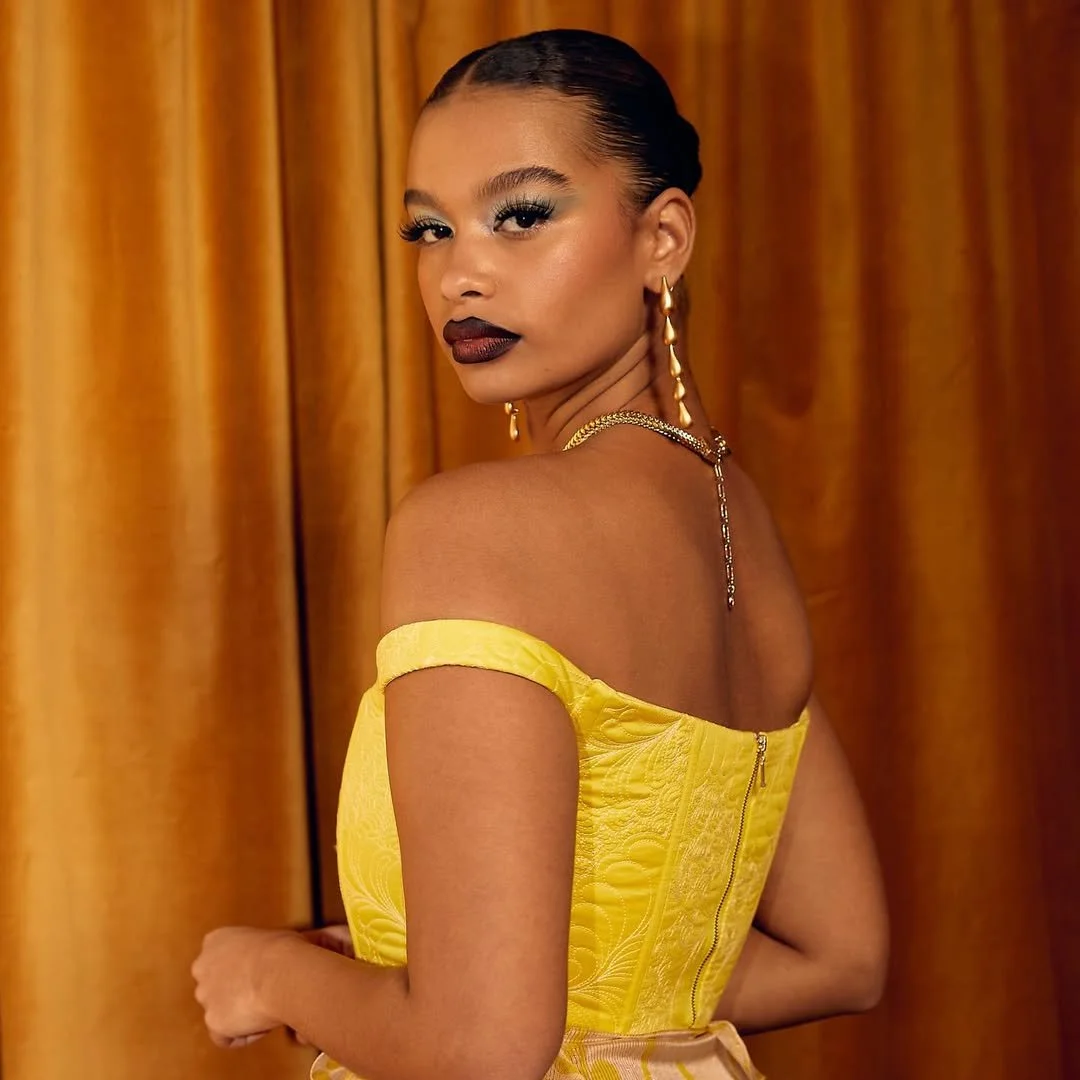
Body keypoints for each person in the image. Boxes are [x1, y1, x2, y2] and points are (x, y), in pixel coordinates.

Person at [192, 28, 888, 1080]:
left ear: (662, 237)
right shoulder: (734, 518)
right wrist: (478, 973)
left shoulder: (475, 529)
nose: (459, 272)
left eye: (522, 216)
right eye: (429, 229)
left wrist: (269, 973)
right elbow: (846, 958)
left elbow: (478, 1052)